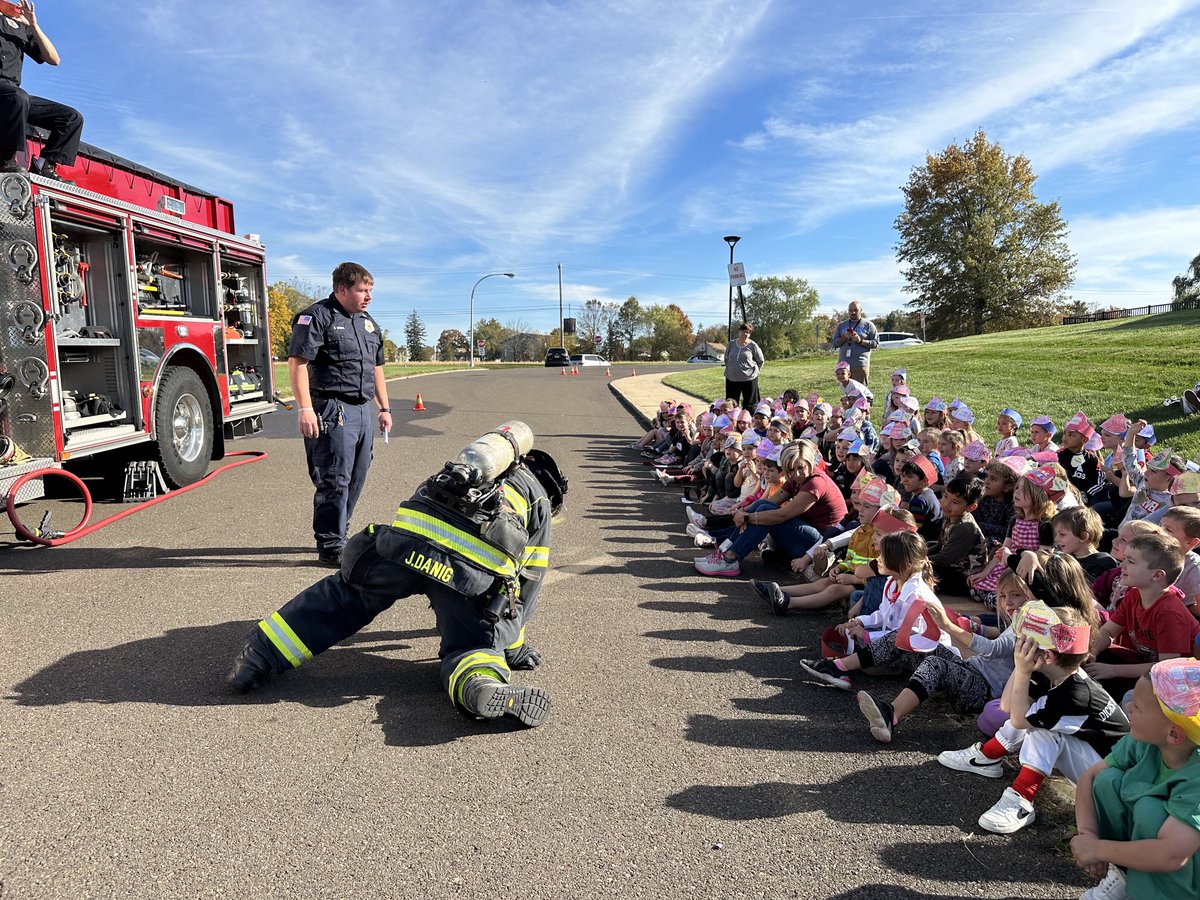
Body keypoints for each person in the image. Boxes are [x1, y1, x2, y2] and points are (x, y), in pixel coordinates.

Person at [225, 422, 568, 728]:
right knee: (474, 644)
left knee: (348, 597)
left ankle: (260, 653)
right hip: (468, 573)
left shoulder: (466, 467)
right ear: (550, 490)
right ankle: (479, 685)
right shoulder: (537, 500)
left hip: (401, 546)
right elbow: (526, 584)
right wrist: (515, 645)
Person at [939, 603, 1129, 835]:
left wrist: (1022, 670)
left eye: (1028, 643)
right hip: (1098, 767)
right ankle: (987, 757)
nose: (1021, 646)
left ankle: (1022, 800)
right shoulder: (1055, 673)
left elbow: (1019, 720)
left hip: (1114, 785)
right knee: (1035, 716)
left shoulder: (1075, 694)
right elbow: (1008, 707)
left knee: (1043, 730)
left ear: (1047, 655)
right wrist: (1023, 671)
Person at [289, 262, 391, 567]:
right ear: (341, 289)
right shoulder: (316, 317)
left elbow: (377, 368)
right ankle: (330, 545)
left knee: (357, 476)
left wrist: (384, 408)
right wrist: (305, 408)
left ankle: (338, 533)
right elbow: (297, 363)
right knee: (335, 477)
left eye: (370, 290)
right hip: (332, 408)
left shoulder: (367, 322)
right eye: (362, 290)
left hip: (361, 411)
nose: (368, 296)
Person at [1071, 658, 1200, 900]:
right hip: (1153, 851)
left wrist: (1098, 848)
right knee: (1108, 780)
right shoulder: (1143, 740)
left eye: (1138, 707)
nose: (1128, 706)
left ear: (1173, 733)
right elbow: (1089, 777)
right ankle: (1123, 876)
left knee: (1149, 810)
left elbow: (1171, 854)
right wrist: (1088, 836)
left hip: (1186, 879)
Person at [693, 440, 846, 578]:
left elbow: (782, 515)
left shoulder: (815, 483)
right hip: (807, 535)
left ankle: (730, 558)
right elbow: (770, 501)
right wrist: (744, 512)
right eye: (791, 470)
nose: (796, 474)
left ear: (810, 463)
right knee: (762, 506)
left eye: (801, 468)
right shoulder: (797, 479)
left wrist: (747, 518)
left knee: (766, 512)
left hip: (820, 545)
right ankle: (724, 552)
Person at [1087, 532, 1198, 701]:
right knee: (1091, 655)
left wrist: (1111, 670)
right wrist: (1091, 652)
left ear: (1157, 575)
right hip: (1148, 665)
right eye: (1124, 559)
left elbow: (1166, 667)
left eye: (1130, 561)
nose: (1122, 565)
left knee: (1127, 697)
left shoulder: (1169, 612)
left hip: (1179, 682)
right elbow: (1108, 631)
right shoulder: (1134, 594)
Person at [0, 1, 81, 182]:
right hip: (11, 97)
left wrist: (33, 26)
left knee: (71, 117)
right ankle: (5, 158)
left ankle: (44, 164)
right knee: (18, 98)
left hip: (11, 94)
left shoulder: (18, 24)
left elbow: (54, 59)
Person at [832, 301, 879, 384]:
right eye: (850, 310)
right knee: (848, 394)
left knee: (861, 394)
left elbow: (875, 343)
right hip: (843, 367)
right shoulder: (841, 325)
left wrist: (860, 341)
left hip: (860, 365)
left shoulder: (869, 325)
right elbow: (834, 344)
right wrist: (844, 337)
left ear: (861, 310)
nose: (853, 312)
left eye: (855, 310)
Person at [723, 322, 764, 410]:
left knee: (750, 404)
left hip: (749, 379)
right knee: (731, 404)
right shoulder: (731, 344)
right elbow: (726, 358)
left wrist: (755, 372)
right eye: (743, 331)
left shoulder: (753, 345)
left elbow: (760, 360)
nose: (745, 334)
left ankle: (749, 421)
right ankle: (732, 421)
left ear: (749, 334)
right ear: (739, 331)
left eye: (748, 332)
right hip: (732, 379)